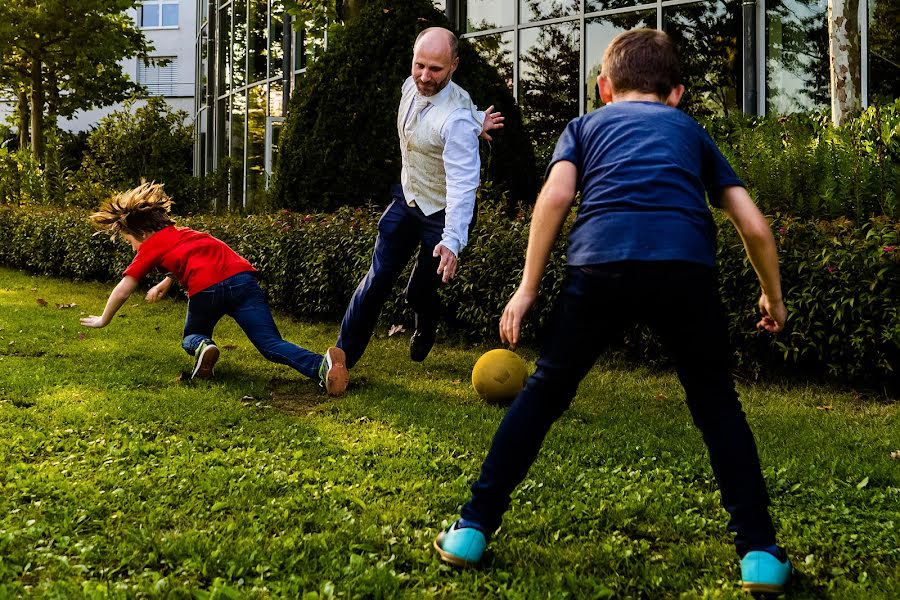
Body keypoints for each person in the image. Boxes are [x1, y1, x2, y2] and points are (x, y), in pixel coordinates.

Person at [434, 29, 793, 594]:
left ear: (602, 87)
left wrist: (527, 287)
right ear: (676, 93)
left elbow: (553, 198)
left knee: (546, 391)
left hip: (598, 267)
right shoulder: (692, 133)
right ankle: (760, 554)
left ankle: (472, 528)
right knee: (717, 406)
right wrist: (772, 297)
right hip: (684, 271)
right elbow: (752, 224)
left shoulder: (583, 127)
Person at [79, 182, 349, 396]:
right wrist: (167, 280)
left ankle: (204, 347)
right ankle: (320, 365)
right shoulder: (183, 232)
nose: (133, 248)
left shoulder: (149, 246)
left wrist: (104, 319)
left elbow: (124, 288)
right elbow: (192, 256)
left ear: (142, 234)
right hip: (243, 281)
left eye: (129, 242)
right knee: (270, 344)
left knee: (192, 336)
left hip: (206, 291)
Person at [336, 26, 503, 369]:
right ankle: (340, 360)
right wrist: (477, 120)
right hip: (406, 198)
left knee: (417, 292)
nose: (424, 77)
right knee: (376, 280)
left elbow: (462, 184)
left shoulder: (456, 122)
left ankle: (427, 324)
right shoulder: (410, 86)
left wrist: (452, 241)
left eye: (435, 69)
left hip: (441, 215)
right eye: (419, 65)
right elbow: (454, 105)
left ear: (454, 65)